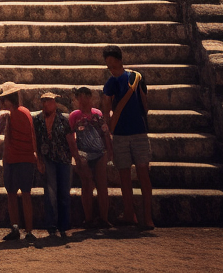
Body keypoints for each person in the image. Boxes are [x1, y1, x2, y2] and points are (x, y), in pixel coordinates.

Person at [100, 44, 154, 230]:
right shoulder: (119, 81)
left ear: (121, 61)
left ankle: (147, 218)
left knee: (142, 175)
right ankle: (132, 215)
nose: (112, 70)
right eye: (109, 67)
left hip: (135, 132)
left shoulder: (135, 78)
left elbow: (144, 104)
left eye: (113, 66)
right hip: (124, 133)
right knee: (125, 176)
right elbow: (107, 111)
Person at [0, 82, 38, 243]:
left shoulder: (10, 115)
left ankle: (16, 228)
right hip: (26, 159)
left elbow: (5, 138)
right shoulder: (25, 112)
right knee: (24, 195)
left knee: (13, 195)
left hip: (14, 160)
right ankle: (28, 230)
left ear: (8, 100)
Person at [33, 90, 77, 239]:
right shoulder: (37, 120)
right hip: (48, 159)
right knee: (50, 193)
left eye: (49, 101)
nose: (46, 104)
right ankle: (51, 225)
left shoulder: (63, 120)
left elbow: (70, 139)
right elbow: (36, 140)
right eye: (44, 101)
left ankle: (64, 225)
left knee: (64, 192)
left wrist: (75, 157)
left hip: (64, 159)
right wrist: (38, 159)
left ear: (54, 103)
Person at [69, 86, 113, 228]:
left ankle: (104, 218)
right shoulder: (74, 116)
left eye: (85, 97)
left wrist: (109, 150)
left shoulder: (98, 114)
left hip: (99, 153)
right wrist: (75, 156)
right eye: (80, 99)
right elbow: (70, 136)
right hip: (83, 154)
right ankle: (88, 219)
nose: (83, 101)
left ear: (90, 98)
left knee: (102, 185)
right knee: (87, 185)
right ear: (76, 100)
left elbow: (105, 132)